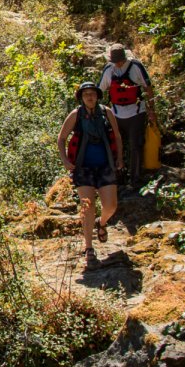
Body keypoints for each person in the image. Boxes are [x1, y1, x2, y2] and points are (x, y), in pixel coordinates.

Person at [58, 82, 124, 264]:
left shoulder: (107, 112)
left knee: (111, 205)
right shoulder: (76, 115)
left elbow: (117, 136)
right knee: (88, 207)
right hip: (83, 167)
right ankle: (89, 248)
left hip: (105, 165)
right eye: (86, 94)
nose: (89, 97)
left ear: (97, 96)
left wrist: (120, 157)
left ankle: (101, 223)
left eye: (92, 94)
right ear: (81, 97)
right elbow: (61, 138)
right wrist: (65, 160)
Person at [98, 43, 157, 190]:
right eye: (115, 61)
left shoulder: (136, 66)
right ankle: (119, 177)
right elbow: (99, 90)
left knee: (135, 145)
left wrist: (151, 110)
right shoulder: (109, 69)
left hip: (136, 112)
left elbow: (148, 87)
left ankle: (135, 179)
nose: (118, 64)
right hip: (116, 114)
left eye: (120, 61)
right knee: (116, 146)